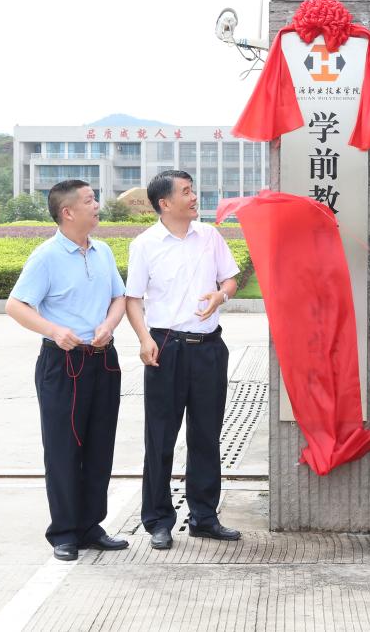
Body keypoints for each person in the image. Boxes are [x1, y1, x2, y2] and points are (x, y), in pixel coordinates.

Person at [5, 179, 129, 562]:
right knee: (63, 449)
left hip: (103, 359)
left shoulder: (103, 251)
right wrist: (54, 330)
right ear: (68, 212)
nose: (97, 205)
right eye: (90, 200)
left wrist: (109, 324)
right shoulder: (46, 256)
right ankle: (64, 532)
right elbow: (15, 305)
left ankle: (91, 527)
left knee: (99, 446)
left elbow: (119, 297)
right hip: (64, 363)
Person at [125, 170, 240, 550]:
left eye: (193, 190)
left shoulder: (209, 236)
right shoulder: (145, 245)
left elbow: (230, 279)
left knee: (206, 436)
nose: (194, 197)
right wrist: (144, 339)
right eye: (186, 192)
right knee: (160, 437)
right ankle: (158, 520)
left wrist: (221, 296)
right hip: (165, 347)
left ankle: (204, 517)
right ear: (165, 203)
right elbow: (133, 299)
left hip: (208, 347)